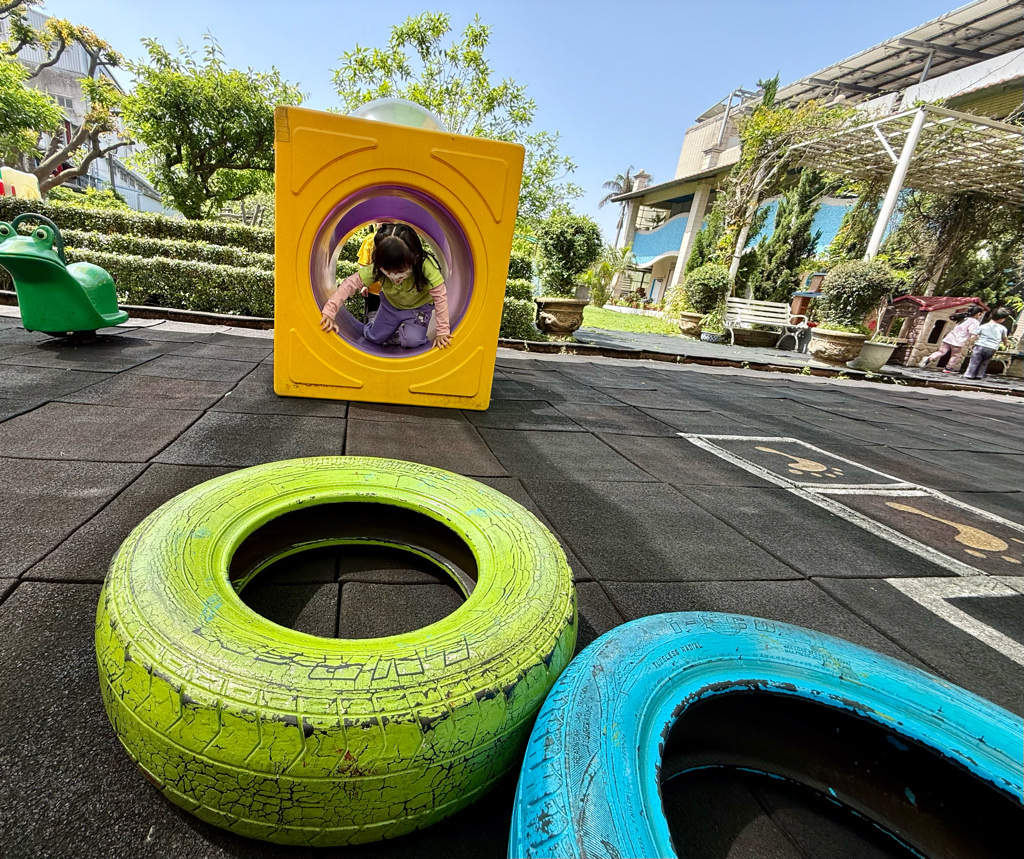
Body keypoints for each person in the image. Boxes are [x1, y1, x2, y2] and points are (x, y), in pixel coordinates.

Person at [320, 223, 451, 349]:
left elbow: (440, 296)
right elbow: (350, 284)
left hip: (419, 309)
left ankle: (401, 334)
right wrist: (330, 311)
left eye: (400, 270)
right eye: (387, 270)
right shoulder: (378, 267)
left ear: (414, 259)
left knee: (413, 340)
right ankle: (380, 330)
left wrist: (442, 332)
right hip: (390, 307)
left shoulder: (426, 266)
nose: (394, 275)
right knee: (374, 338)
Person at [919, 305, 983, 373]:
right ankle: (949, 368)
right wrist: (973, 341)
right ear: (978, 313)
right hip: (958, 341)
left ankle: (929, 358)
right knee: (956, 355)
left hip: (949, 338)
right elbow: (972, 332)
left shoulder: (963, 318)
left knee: (941, 352)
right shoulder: (974, 322)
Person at [963, 307, 1011, 381]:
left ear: (991, 315)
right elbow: (1004, 338)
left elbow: (973, 336)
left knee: (974, 361)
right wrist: (1005, 344)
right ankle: (979, 375)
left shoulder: (983, 326)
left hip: (980, 346)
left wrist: (971, 344)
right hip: (992, 348)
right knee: (985, 362)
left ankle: (969, 374)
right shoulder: (1003, 328)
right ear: (1002, 319)